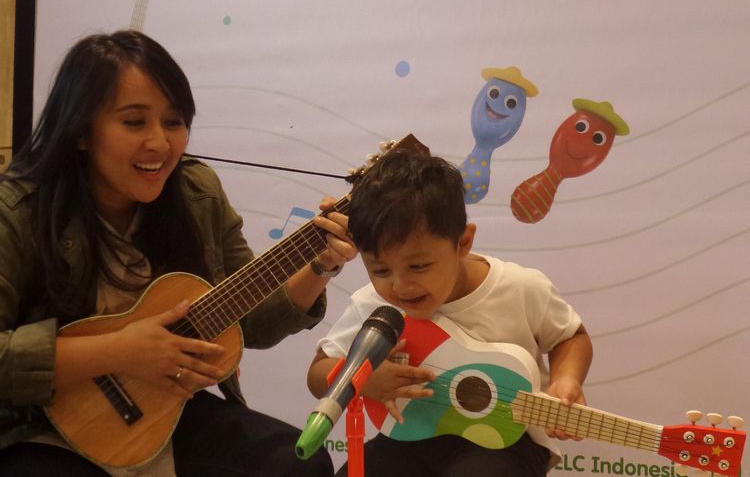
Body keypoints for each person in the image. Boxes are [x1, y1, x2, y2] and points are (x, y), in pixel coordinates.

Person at [0, 29, 357, 476]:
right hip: (32, 425)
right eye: (134, 122)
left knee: (292, 462)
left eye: (174, 122)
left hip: (160, 412)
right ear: (80, 132)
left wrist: (322, 262)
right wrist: (120, 350)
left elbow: (251, 323)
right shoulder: (16, 211)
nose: (160, 143)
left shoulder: (196, 192)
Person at [307, 149, 593, 476]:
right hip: (406, 436)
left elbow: (571, 336)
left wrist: (566, 379)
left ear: (463, 243)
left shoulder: (520, 287)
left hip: (507, 439)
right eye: (381, 271)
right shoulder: (372, 303)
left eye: (419, 265)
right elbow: (318, 372)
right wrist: (363, 379)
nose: (401, 286)